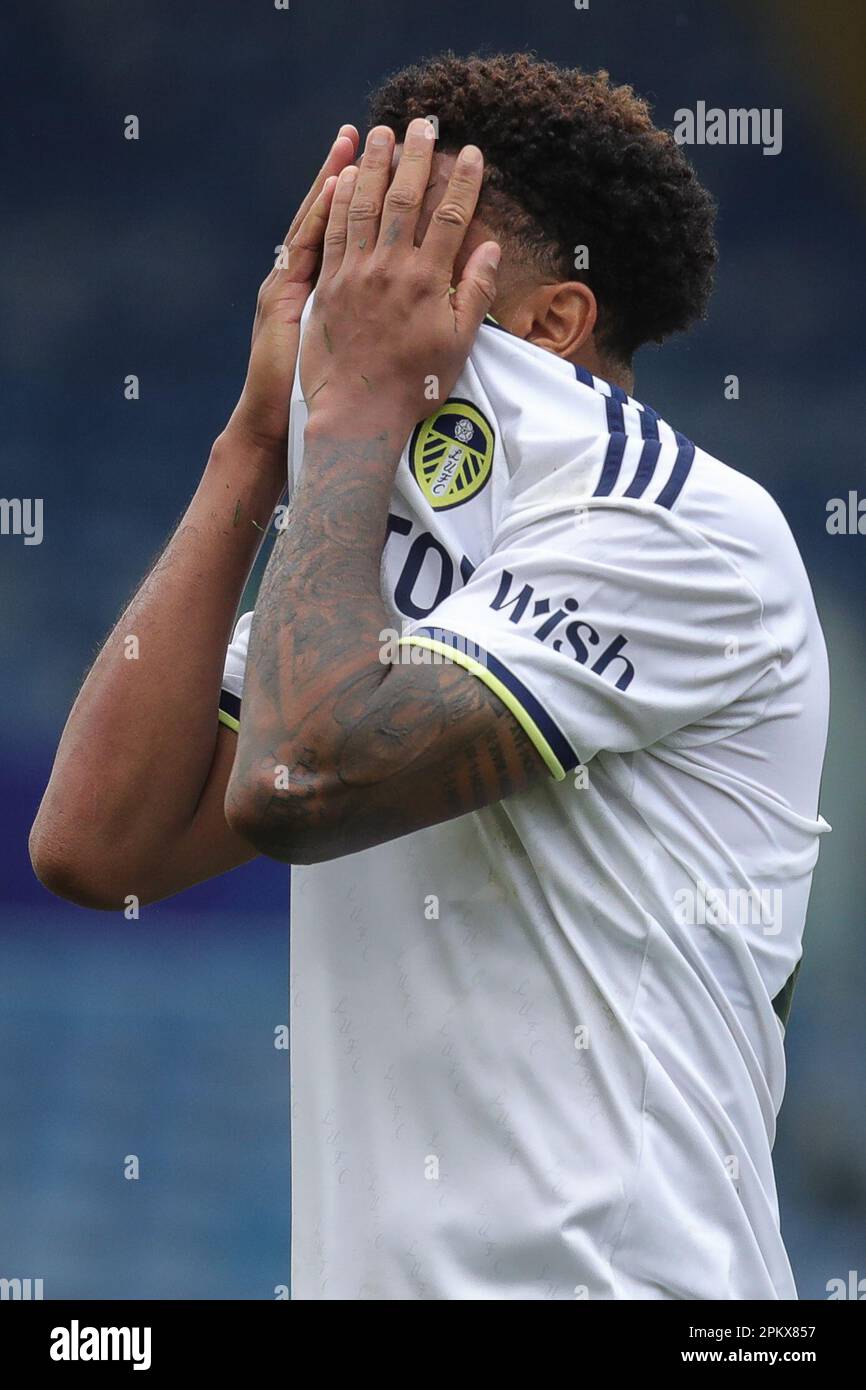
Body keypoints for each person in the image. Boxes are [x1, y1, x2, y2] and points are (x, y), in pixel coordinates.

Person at [31, 54, 830, 1300]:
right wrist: (253, 446)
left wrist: (348, 420)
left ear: (553, 326)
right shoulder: (380, 546)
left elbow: (294, 778)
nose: (345, 307)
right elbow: (95, 845)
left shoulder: (676, 524)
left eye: (399, 267)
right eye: (335, 264)